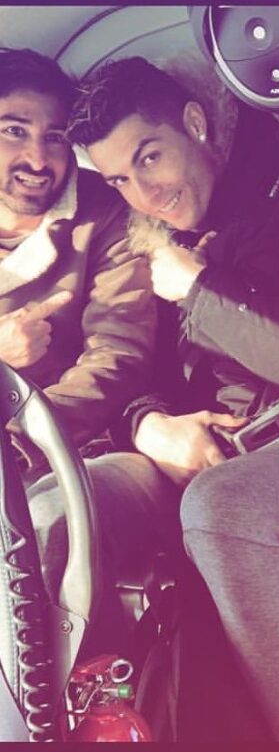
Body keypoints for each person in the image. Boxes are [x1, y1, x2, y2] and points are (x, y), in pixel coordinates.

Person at [67, 56, 279, 740]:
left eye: (150, 158)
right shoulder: (148, 245)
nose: (144, 192)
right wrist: (150, 426)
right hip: (190, 452)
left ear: (195, 124)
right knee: (65, 507)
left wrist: (200, 289)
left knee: (218, 507)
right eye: (119, 180)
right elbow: (132, 373)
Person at [0, 47, 161, 649]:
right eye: (14, 131)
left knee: (43, 526)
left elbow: (117, 353)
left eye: (56, 137)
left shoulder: (105, 214)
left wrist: (24, 443)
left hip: (86, 446)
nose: (37, 159)